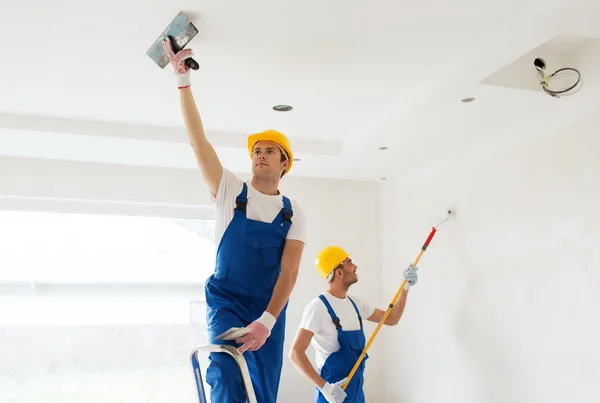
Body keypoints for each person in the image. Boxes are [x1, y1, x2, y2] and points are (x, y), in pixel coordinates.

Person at [161, 38, 307, 403]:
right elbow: (198, 143)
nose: (260, 155)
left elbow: (289, 273)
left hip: (268, 308)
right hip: (227, 301)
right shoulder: (229, 191)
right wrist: (183, 83)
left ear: (284, 163)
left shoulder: (293, 213)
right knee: (226, 376)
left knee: (263, 391)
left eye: (269, 151)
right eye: (256, 151)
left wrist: (267, 322)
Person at [289, 246, 418, 403]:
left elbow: (392, 318)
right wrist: (325, 389)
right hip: (332, 395)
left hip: (356, 393)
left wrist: (405, 288)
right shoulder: (317, 308)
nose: (355, 266)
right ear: (339, 272)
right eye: (349, 262)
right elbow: (296, 354)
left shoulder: (356, 303)